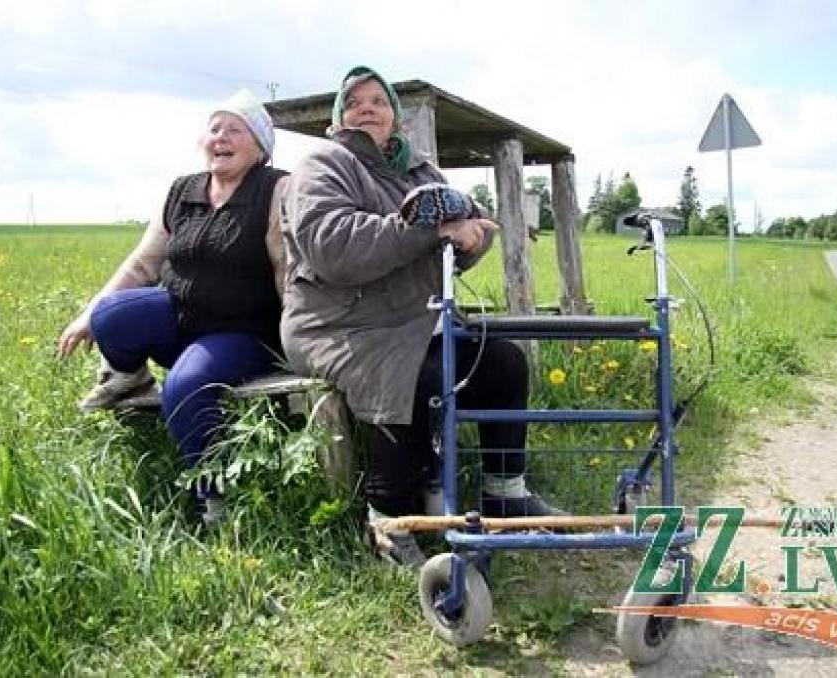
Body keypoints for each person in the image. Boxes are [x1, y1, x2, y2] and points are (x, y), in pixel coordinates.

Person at [280, 66, 562, 568]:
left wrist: (473, 237)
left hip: (411, 316)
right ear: (338, 120)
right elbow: (334, 246)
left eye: (378, 101)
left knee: (502, 363)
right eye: (354, 102)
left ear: (395, 118)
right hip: (338, 323)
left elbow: (472, 219)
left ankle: (505, 491)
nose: (366, 108)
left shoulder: (420, 170)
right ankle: (389, 518)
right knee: (414, 375)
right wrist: (431, 231)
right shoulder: (323, 165)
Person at [57, 89, 288, 525]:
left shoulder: (275, 189)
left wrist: (298, 337)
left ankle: (213, 499)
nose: (221, 137)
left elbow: (285, 267)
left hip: (242, 330)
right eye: (214, 128)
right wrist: (87, 314)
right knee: (110, 316)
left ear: (260, 146)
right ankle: (129, 377)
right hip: (182, 315)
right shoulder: (182, 190)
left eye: (235, 129)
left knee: (184, 386)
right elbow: (144, 262)